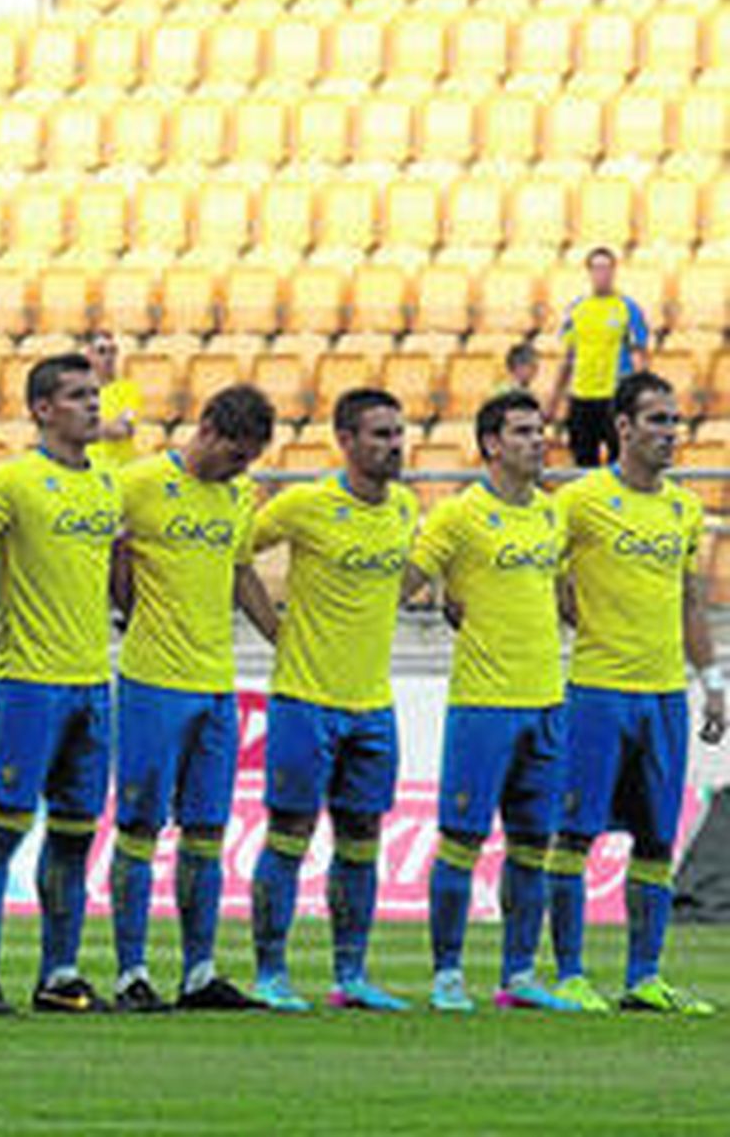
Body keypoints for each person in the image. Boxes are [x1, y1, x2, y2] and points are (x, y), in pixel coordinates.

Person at [547, 371, 724, 1015]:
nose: (669, 433)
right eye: (656, 420)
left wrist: (713, 684)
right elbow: (546, 575)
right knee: (575, 833)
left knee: (655, 842)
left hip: (663, 698)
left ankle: (644, 978)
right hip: (597, 692)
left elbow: (691, 604)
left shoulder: (683, 508)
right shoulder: (582, 498)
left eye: (674, 421)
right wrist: (579, 618)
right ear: (622, 427)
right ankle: (568, 974)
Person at [402, 391, 576, 1014]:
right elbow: (405, 582)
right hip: (484, 705)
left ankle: (519, 974)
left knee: (533, 844)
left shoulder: (553, 516)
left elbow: (562, 600)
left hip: (547, 702)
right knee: (461, 840)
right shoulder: (458, 516)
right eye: (525, 431)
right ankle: (448, 974)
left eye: (542, 430)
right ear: (492, 444)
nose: (540, 440)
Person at [0, 353, 122, 1015]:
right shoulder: (12, 482)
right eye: (79, 395)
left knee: (76, 835)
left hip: (92, 680)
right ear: (43, 409)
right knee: (2, 827)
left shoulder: (107, 486)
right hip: (27, 681)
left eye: (95, 394)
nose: (93, 405)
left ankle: (59, 972)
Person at [247, 388, 417, 1013]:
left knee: (362, 835)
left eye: (398, 433)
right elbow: (237, 554)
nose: (393, 446)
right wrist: (274, 628)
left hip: (373, 702)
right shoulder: (305, 505)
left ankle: (352, 975)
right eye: (380, 435)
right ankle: (271, 972)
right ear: (345, 441)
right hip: (305, 698)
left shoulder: (403, 507)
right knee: (289, 830)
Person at [111, 385, 279, 1013]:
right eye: (236, 455)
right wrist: (129, 608)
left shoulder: (238, 496)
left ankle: (198, 971)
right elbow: (111, 553)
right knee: (138, 826)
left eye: (249, 460)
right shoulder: (141, 482)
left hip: (215, 683)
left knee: (207, 830)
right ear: (205, 428)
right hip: (153, 681)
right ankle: (131, 972)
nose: (242, 469)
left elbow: (240, 574)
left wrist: (282, 638)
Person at [548, 247, 650, 468]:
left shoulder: (627, 308)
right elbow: (567, 357)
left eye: (606, 268)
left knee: (620, 461)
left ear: (614, 271)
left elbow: (639, 357)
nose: (601, 273)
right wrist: (553, 401)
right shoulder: (576, 309)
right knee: (583, 462)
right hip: (582, 396)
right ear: (589, 272)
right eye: (596, 268)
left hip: (613, 396)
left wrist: (640, 400)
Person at [85, 330, 139, 471]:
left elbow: (123, 430)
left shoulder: (129, 389)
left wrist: (88, 426)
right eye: (102, 351)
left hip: (120, 470)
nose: (108, 357)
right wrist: (109, 425)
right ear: (89, 355)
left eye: (113, 351)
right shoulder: (80, 390)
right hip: (89, 470)